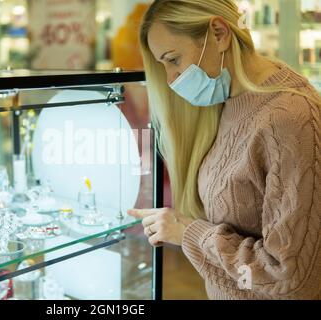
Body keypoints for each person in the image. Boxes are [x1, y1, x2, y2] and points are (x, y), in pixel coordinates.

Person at [128, 0, 321, 300]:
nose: (170, 79)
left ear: (218, 34)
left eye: (174, 59)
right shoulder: (231, 100)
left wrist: (188, 232)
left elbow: (292, 277)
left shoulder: (289, 118)